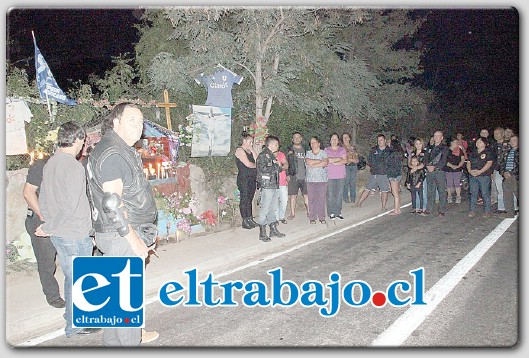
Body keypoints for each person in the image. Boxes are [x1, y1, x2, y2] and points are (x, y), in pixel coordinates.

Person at [86, 103, 159, 346]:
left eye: (141, 122)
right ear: (116, 122)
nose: (138, 126)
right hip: (122, 238)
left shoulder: (114, 148)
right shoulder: (114, 153)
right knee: (127, 309)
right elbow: (112, 203)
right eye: (132, 120)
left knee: (116, 308)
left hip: (115, 235)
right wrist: (135, 240)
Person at [35, 121, 99, 338]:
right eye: (83, 141)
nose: (83, 145)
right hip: (74, 233)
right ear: (78, 139)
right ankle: (75, 325)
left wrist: (47, 223)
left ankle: (72, 316)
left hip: (61, 233)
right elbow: (70, 205)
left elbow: (42, 196)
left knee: (72, 277)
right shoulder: (73, 166)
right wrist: (50, 226)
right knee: (78, 279)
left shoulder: (50, 163)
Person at [22, 155, 64, 309]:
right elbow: (28, 193)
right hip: (40, 220)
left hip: (60, 218)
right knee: (46, 262)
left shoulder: (69, 164)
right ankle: (52, 296)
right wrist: (44, 217)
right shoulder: (41, 166)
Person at [255, 135, 285, 241]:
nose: (278, 146)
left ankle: (273, 229)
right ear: (271, 144)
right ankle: (262, 232)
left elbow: (280, 169)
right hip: (267, 185)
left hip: (274, 184)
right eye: (276, 144)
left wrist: (277, 166)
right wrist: (277, 165)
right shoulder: (263, 155)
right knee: (265, 208)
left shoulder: (271, 155)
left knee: (273, 208)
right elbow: (263, 169)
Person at [355, 134, 391, 210]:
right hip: (374, 173)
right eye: (378, 140)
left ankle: (383, 206)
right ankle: (359, 203)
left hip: (384, 174)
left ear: (385, 141)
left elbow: (391, 162)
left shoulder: (389, 151)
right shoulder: (374, 150)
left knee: (384, 191)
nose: (379, 142)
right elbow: (370, 160)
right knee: (367, 188)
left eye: (381, 140)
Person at [234, 132, 258, 229]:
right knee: (244, 199)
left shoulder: (250, 151)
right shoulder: (240, 151)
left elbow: (257, 160)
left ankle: (250, 218)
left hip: (252, 178)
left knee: (250, 199)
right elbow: (248, 164)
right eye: (250, 142)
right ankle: (245, 220)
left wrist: (253, 151)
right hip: (244, 178)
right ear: (244, 141)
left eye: (252, 142)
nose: (251, 144)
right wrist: (257, 166)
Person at [467, 137, 494, 218]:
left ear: (485, 144)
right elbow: (468, 162)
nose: (478, 143)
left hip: (483, 176)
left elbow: (489, 163)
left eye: (480, 142)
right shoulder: (473, 152)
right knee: (473, 193)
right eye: (477, 142)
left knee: (485, 193)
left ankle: (487, 211)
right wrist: (469, 171)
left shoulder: (488, 152)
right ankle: (472, 210)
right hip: (473, 175)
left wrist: (480, 171)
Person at [424, 131, 449, 217]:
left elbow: (444, 160)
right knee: (430, 191)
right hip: (430, 172)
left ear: (442, 138)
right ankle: (429, 209)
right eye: (435, 136)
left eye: (438, 136)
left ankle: (442, 210)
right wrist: (427, 166)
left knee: (441, 191)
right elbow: (425, 158)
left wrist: (434, 167)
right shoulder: (429, 148)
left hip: (439, 172)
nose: (436, 137)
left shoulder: (444, 148)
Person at [305, 136, 329, 224]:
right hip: (310, 180)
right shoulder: (308, 153)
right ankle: (312, 217)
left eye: (314, 142)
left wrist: (314, 164)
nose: (313, 144)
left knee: (321, 198)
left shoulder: (324, 153)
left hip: (322, 180)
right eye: (311, 143)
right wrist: (319, 162)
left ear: (319, 143)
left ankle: (322, 217)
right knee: (311, 199)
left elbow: (325, 162)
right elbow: (308, 162)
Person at [286, 132, 309, 220]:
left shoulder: (306, 149)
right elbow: (286, 162)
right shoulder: (289, 150)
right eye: (295, 137)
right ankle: (292, 214)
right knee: (293, 195)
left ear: (301, 138)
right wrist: (287, 174)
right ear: (292, 140)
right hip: (293, 176)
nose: (297, 139)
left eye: (298, 137)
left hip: (305, 176)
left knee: (306, 194)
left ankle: (309, 212)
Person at [324, 133, 347, 220]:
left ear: (338, 141)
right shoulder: (326, 150)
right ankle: (331, 212)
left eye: (336, 139)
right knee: (330, 195)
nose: (334, 140)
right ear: (330, 141)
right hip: (330, 175)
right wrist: (338, 159)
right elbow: (326, 160)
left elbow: (345, 160)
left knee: (339, 194)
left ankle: (338, 212)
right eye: (332, 139)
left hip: (340, 175)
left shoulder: (342, 149)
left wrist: (334, 162)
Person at [500, 135, 519, 218]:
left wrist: (512, 173)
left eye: (515, 140)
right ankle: (510, 213)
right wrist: (503, 172)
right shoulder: (507, 152)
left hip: (516, 176)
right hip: (506, 176)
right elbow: (502, 164)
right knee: (507, 195)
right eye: (511, 140)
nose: (512, 142)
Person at [490, 127, 507, 213]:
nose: (496, 135)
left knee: (509, 189)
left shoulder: (508, 144)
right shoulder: (493, 145)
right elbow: (492, 159)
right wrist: (492, 171)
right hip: (497, 170)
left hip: (507, 170)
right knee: (499, 188)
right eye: (494, 134)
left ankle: (514, 207)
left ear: (503, 134)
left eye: (498, 133)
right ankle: (501, 208)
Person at [443, 139, 466, 204]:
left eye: (457, 142)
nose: (457, 143)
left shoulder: (459, 150)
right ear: (451, 142)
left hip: (457, 169)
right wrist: (452, 166)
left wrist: (459, 165)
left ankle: (458, 196)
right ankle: (449, 196)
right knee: (449, 183)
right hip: (448, 169)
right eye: (455, 142)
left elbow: (462, 159)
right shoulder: (447, 150)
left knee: (457, 183)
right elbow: (444, 159)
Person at [409, 138, 428, 212]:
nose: (418, 145)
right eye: (416, 143)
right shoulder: (413, 153)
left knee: (422, 192)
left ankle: (423, 207)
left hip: (422, 174)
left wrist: (416, 168)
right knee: (414, 192)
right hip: (413, 175)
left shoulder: (425, 152)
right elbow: (409, 162)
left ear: (422, 144)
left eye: (419, 143)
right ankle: (416, 207)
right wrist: (412, 168)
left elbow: (424, 163)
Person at [387, 139, 404, 215]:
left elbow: (391, 165)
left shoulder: (392, 154)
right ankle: (398, 209)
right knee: (397, 193)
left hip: (393, 175)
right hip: (398, 174)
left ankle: (396, 210)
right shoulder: (399, 153)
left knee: (395, 193)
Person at [341, 132, 359, 203]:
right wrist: (351, 160)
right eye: (343, 137)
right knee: (346, 182)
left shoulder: (353, 147)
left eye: (346, 137)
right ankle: (345, 198)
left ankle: (353, 198)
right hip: (346, 166)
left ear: (349, 138)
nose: (345, 139)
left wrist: (355, 160)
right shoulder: (341, 148)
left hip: (354, 166)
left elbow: (357, 158)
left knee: (353, 182)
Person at [274, 142, 289, 224]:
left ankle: (281, 216)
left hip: (282, 181)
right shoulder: (268, 155)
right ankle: (276, 218)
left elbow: (286, 165)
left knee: (284, 200)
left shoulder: (281, 154)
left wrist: (280, 167)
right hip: (273, 182)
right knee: (275, 201)